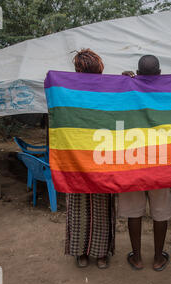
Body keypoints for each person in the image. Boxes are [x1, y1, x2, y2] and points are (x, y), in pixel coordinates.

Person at [119, 55, 171, 272]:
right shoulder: (168, 92)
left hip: (134, 160)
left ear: (138, 73)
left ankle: (138, 258)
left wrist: (123, 81)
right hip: (161, 161)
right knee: (161, 210)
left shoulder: (128, 90)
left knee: (134, 211)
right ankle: (158, 258)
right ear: (159, 73)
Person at [64, 49, 115, 269]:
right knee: (79, 205)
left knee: (102, 206)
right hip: (77, 155)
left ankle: (101, 252)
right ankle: (80, 252)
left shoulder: (109, 92)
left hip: (102, 156)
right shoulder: (67, 91)